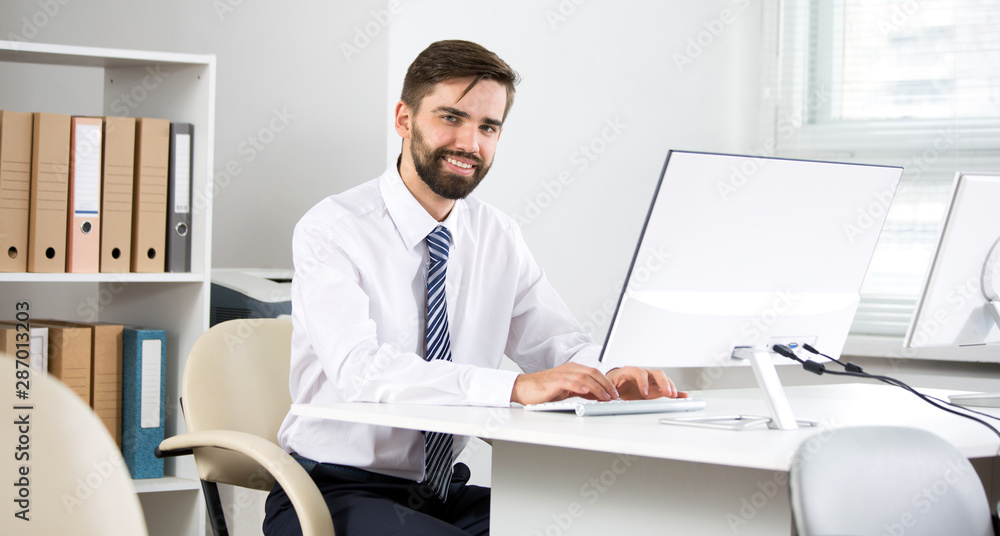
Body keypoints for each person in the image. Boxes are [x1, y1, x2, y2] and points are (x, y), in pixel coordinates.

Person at [263, 39, 684, 536]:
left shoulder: (497, 235)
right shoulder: (333, 229)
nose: (470, 143)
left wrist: (611, 373)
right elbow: (361, 373)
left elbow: (555, 344)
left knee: (603, 524)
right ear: (403, 119)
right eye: (451, 118)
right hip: (331, 490)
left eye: (488, 127)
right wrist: (513, 389)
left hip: (442, 492)